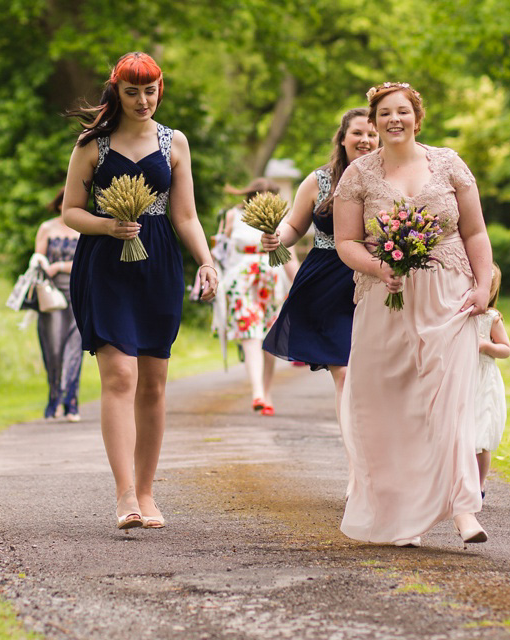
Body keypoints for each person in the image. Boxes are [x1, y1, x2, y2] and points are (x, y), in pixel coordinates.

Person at [333, 82, 493, 547]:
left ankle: (463, 508)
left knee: (446, 400)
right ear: (375, 120)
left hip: (448, 295)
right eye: (385, 113)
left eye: (402, 111)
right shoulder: (359, 174)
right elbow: (346, 242)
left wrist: (483, 287)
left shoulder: (448, 162)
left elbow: (475, 232)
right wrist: (380, 266)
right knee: (387, 404)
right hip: (385, 297)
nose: (394, 119)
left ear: (417, 118)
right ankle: (404, 516)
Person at [62, 52, 217, 530]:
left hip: (158, 267)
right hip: (105, 267)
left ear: (160, 90)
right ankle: (125, 495)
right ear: (117, 92)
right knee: (120, 378)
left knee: (152, 383)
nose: (142, 100)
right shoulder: (93, 144)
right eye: (132, 92)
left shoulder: (175, 143)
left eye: (150, 91)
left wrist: (207, 262)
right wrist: (109, 226)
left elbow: (185, 216)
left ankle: (148, 494)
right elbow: (71, 211)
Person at [260, 107, 378, 490]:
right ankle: (356, 471)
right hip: (327, 282)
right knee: (346, 372)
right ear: (342, 138)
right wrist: (278, 236)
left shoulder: (391, 178)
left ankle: (385, 463)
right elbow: (295, 225)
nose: (365, 139)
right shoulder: (320, 181)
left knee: (375, 378)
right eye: (358, 132)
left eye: (372, 134)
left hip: (378, 281)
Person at [217, 178, 288, 416]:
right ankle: (257, 392)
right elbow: (222, 248)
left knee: (269, 338)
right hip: (242, 281)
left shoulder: (280, 216)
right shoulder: (232, 215)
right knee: (250, 334)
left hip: (271, 279)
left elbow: (287, 252)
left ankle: (266, 392)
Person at [33, 186, 83, 422]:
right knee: (53, 349)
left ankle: (71, 402)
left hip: (78, 294)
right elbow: (38, 259)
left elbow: (87, 264)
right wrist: (43, 265)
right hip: (51, 296)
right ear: (59, 203)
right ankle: (54, 399)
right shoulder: (47, 228)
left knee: (74, 349)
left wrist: (61, 266)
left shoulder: (84, 228)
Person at [475, 263, 510, 499]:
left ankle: (479, 484)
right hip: (463, 379)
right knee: (462, 433)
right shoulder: (457, 313)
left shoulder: (491, 318)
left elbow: (506, 349)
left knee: (482, 434)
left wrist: (487, 346)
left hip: (483, 380)